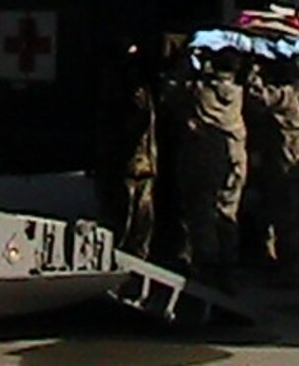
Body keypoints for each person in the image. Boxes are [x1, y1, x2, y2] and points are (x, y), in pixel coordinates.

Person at [171, 47, 248, 292]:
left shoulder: (199, 92)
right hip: (234, 160)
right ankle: (229, 270)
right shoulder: (239, 93)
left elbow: (172, 92)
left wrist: (190, 64)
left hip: (203, 160)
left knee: (203, 216)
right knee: (227, 214)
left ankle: (208, 269)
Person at [246, 53, 299, 285]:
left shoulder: (287, 95)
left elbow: (258, 98)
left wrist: (254, 74)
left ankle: (290, 271)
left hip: (285, 161)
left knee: (287, 219)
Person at [96, 39, 160, 258]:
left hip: (138, 162)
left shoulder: (138, 92)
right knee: (128, 210)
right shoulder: (121, 90)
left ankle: (133, 251)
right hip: (131, 162)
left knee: (139, 212)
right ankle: (124, 249)